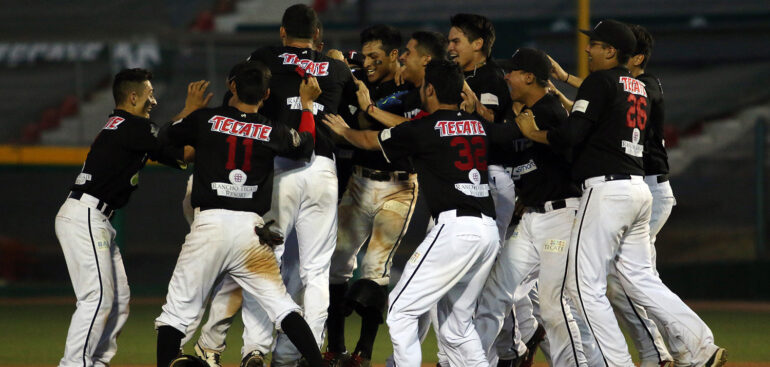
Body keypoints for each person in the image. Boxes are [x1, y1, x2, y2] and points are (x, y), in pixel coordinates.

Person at [515, 19, 727, 367]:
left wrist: (535, 133)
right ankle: (701, 347)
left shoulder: (601, 80)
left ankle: (617, 363)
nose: (588, 49)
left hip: (607, 192)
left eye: (594, 44)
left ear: (611, 51)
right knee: (640, 278)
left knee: (584, 287)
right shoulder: (639, 86)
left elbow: (570, 136)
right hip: (636, 189)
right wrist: (569, 92)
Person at [193, 4, 357, 367]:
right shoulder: (338, 68)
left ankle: (255, 348)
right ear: (317, 34)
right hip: (323, 168)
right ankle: (306, 352)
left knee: (265, 262)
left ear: (283, 33)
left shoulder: (266, 56)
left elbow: (239, 99)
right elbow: (352, 110)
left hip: (280, 164)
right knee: (316, 271)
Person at [325, 59, 516, 367]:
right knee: (457, 326)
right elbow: (507, 135)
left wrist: (343, 130)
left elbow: (368, 140)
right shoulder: (478, 125)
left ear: (429, 89)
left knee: (400, 311)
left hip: (456, 229)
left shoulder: (425, 128)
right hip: (487, 231)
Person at [155, 60, 325, 367]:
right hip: (251, 232)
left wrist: (190, 109)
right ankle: (317, 364)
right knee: (283, 308)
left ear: (232, 86)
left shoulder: (206, 119)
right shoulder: (273, 129)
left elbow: (165, 137)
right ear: (266, 94)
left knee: (177, 312)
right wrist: (307, 106)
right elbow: (306, 146)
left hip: (209, 224)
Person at [54, 68, 202, 367]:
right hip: (86, 214)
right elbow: (171, 142)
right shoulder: (131, 126)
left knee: (118, 300)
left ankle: (96, 362)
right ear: (133, 96)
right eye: (150, 94)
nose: (154, 101)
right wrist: (197, 120)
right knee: (96, 298)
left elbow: (175, 149)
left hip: (95, 218)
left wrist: (199, 124)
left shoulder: (128, 129)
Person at [474, 47, 601, 367]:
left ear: (529, 77)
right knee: (496, 293)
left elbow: (504, 136)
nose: (507, 77)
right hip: (533, 217)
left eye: (513, 72)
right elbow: (508, 146)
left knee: (554, 305)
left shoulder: (547, 110)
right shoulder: (529, 113)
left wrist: (461, 116)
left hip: (560, 216)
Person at [324, 24, 420, 367]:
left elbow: (389, 126)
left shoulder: (413, 87)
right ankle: (335, 347)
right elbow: (342, 60)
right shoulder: (366, 73)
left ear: (396, 56)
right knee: (337, 263)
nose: (367, 62)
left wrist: (364, 103)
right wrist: (338, 59)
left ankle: (363, 354)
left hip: (399, 186)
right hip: (359, 181)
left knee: (375, 267)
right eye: (364, 55)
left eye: (374, 56)